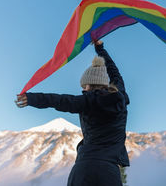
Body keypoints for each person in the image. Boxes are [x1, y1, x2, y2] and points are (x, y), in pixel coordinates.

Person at [15, 40, 130, 186]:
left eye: (84, 87)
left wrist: (31, 98)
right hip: (109, 171)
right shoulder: (121, 97)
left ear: (89, 85)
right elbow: (114, 72)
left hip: (84, 168)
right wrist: (100, 49)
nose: (84, 90)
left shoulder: (87, 101)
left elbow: (60, 101)